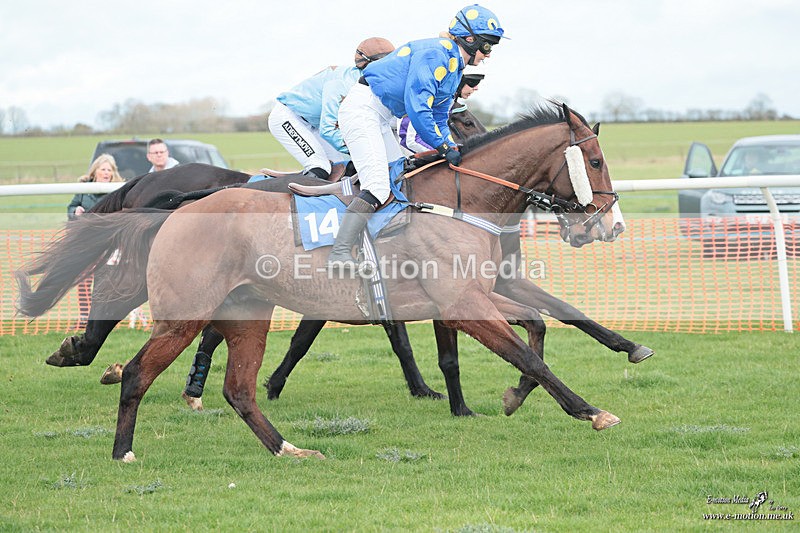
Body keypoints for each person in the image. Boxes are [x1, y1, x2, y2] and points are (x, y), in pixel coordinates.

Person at [328, 4, 505, 270]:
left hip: (379, 114)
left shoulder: (454, 65)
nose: (488, 55)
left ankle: (381, 244)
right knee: (377, 186)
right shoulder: (438, 53)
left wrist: (451, 145)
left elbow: (439, 115)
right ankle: (339, 253)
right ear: (470, 39)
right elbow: (418, 107)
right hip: (363, 110)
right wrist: (442, 146)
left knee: (399, 178)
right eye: (487, 46)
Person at [267, 37, 396, 180]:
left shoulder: (369, 83)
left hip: (314, 124)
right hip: (288, 117)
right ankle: (278, 200)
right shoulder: (344, 84)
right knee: (320, 167)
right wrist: (362, 149)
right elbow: (328, 128)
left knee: (339, 168)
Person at [66, 154, 124, 326]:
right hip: (85, 242)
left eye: (109, 170)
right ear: (95, 171)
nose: (106, 173)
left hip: (109, 242)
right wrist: (74, 212)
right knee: (84, 279)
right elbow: (71, 207)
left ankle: (103, 317)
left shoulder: (118, 189)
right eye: (103, 169)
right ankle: (84, 316)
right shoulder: (84, 188)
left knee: (106, 279)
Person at [398, 66, 485, 154]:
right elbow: (410, 140)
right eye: (472, 83)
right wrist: (444, 153)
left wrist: (451, 148)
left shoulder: (447, 99)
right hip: (387, 126)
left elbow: (441, 127)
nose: (476, 88)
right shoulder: (431, 94)